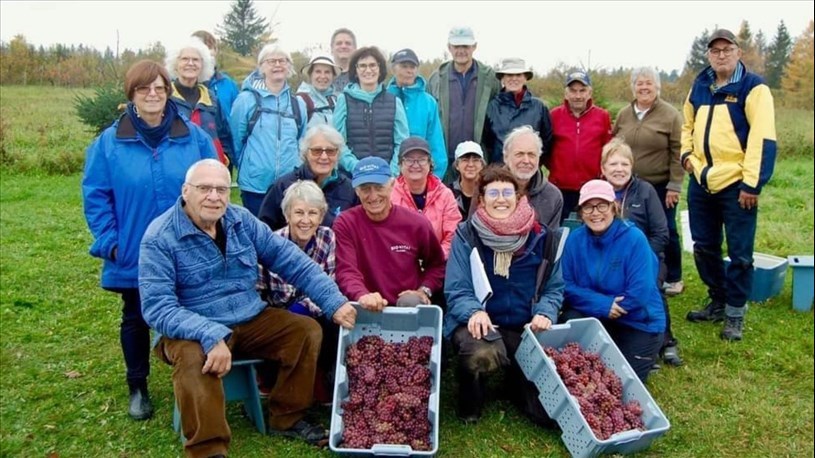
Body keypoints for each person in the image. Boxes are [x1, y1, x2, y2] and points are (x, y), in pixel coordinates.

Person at [139, 159, 357, 456]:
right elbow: (157, 307)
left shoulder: (242, 221)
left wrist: (334, 302)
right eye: (205, 189)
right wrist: (209, 333)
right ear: (186, 191)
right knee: (193, 357)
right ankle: (208, 448)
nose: (214, 197)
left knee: (305, 330)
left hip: (248, 316)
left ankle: (287, 416)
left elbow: (293, 262)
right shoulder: (159, 237)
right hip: (189, 326)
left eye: (221, 189)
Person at [81, 60, 218, 421]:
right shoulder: (109, 143)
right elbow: (96, 194)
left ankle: (200, 375)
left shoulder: (193, 137)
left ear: (167, 90)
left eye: (159, 87)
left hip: (189, 243)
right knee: (137, 315)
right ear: (131, 96)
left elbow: (216, 183)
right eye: (144, 89)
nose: (153, 95)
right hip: (134, 247)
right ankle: (137, 386)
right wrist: (111, 240)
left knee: (194, 307)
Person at [444, 164, 564, 424]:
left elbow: (554, 288)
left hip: (525, 327)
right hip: (482, 324)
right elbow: (457, 287)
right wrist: (473, 311)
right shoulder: (467, 235)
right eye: (493, 193)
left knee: (545, 416)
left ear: (519, 197)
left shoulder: (543, 238)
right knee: (480, 353)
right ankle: (470, 405)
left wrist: (545, 312)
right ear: (482, 200)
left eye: (507, 193)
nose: (501, 199)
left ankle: (514, 381)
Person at [682, 29, 777, 341]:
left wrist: (752, 184)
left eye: (727, 49)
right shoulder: (699, 85)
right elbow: (687, 125)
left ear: (738, 52)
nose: (721, 55)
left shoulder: (754, 88)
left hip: (738, 183)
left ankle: (736, 312)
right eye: (715, 50)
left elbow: (763, 137)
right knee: (704, 246)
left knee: (740, 253)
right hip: (701, 181)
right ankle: (718, 300)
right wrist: (686, 156)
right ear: (708, 54)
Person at [560, 180, 666, 382]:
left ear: (614, 207)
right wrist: (602, 304)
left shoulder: (635, 238)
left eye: (602, 205)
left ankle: (647, 352)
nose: (595, 212)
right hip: (597, 314)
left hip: (638, 321)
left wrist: (613, 307)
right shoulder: (575, 239)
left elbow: (640, 292)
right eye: (588, 207)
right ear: (581, 211)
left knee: (617, 383)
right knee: (582, 375)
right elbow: (565, 284)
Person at [600, 138, 682, 367]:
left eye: (624, 164)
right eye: (613, 164)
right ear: (603, 168)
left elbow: (661, 233)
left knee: (651, 287)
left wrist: (640, 259)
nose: (619, 169)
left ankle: (665, 342)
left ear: (632, 166)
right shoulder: (597, 192)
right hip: (607, 262)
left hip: (648, 258)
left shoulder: (645, 191)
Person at [334, 156, 446, 310]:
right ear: (356, 191)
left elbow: (437, 264)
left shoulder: (416, 223)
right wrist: (362, 295)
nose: (373, 196)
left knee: (410, 302)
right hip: (365, 306)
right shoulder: (346, 223)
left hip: (406, 307)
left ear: (392, 185)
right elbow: (346, 270)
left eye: (379, 187)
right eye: (366, 188)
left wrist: (424, 290)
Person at [263, 180, 341, 400]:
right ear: (287, 214)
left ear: (321, 215)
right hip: (278, 312)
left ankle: (324, 379)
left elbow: (329, 282)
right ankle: (272, 381)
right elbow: (260, 291)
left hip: (314, 307)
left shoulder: (327, 237)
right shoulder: (272, 242)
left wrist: (303, 307)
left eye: (313, 213)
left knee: (334, 322)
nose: (305, 220)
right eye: (299, 212)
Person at [613, 67, 685, 297]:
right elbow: (615, 145)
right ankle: (633, 270)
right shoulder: (624, 114)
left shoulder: (670, 115)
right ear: (633, 87)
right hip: (629, 184)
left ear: (657, 87)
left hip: (660, 185)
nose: (644, 87)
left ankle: (673, 276)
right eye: (639, 83)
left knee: (666, 229)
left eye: (649, 84)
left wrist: (675, 185)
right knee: (630, 226)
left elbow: (677, 151)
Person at [230, 45, 307, 216]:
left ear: (289, 66)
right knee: (258, 234)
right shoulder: (246, 100)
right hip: (255, 185)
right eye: (271, 61)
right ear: (261, 67)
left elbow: (301, 139)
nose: (277, 65)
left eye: (282, 60)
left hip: (289, 185)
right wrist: (251, 165)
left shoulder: (298, 104)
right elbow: (236, 139)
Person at [427, 26, 500, 184]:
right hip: (445, 161)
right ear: (449, 47)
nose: (461, 50)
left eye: (465, 46)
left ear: (474, 47)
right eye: (456, 46)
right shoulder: (436, 78)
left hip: (477, 162)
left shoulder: (489, 78)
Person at [258, 124, 356, 230]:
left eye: (330, 151)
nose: (324, 157)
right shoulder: (283, 186)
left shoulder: (349, 189)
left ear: (338, 154)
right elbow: (264, 231)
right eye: (316, 151)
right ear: (305, 153)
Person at [544, 70, 612, 222]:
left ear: (589, 92)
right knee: (559, 230)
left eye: (582, 90)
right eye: (573, 91)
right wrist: (557, 168)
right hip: (559, 188)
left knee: (591, 227)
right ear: (566, 93)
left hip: (591, 187)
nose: (578, 95)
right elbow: (547, 150)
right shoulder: (554, 116)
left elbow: (608, 150)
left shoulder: (602, 116)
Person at [333, 46, 409, 176]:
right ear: (355, 71)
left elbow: (402, 142)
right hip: (352, 176)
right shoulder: (343, 100)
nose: (368, 70)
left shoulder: (394, 102)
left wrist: (391, 173)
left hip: (387, 178)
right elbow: (337, 142)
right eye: (362, 66)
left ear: (380, 69)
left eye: (373, 65)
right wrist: (357, 168)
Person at [390, 136, 462, 258]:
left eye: (422, 159)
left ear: (430, 164)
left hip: (437, 264)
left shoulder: (445, 195)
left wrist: (435, 258)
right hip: (398, 264)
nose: (415, 165)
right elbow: (385, 235)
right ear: (400, 164)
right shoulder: (389, 195)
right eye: (409, 159)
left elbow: (453, 236)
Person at [166, 37, 231, 165]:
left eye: (196, 59)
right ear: (175, 64)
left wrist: (224, 157)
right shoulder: (165, 98)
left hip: (209, 169)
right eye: (185, 59)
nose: (190, 63)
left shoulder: (211, 98)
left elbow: (223, 134)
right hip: (175, 167)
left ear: (203, 65)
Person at [386, 48, 448, 179]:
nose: (409, 71)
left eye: (412, 66)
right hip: (388, 177)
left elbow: (436, 144)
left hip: (419, 176)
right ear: (393, 69)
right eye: (404, 66)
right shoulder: (383, 98)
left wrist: (435, 178)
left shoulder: (428, 102)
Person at [483, 57, 552, 163]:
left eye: (518, 75)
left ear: (525, 78)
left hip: (528, 169)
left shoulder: (539, 107)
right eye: (509, 75)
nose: (514, 78)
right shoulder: (492, 107)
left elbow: (547, 141)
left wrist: (534, 163)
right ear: (503, 79)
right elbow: (486, 142)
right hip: (500, 171)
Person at [191, 30, 240, 160]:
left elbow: (235, 126)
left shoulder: (228, 85)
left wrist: (229, 156)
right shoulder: (173, 89)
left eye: (210, 55)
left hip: (219, 157)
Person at [503, 125, 563, 230]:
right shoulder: (487, 188)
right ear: (506, 157)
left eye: (531, 155)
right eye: (519, 154)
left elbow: (551, 241)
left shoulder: (552, 196)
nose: (526, 161)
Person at [296, 54, 341, 127]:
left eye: (327, 72)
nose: (323, 76)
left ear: (333, 76)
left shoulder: (338, 100)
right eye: (318, 72)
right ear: (310, 75)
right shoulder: (300, 100)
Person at [449, 140, 486, 219]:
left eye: (475, 160)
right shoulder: (447, 193)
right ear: (457, 165)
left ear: (482, 165)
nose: (471, 164)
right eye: (465, 160)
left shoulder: (488, 191)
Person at [330, 28, 357, 93]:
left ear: (355, 48)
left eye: (348, 43)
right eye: (339, 43)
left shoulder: (362, 75)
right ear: (332, 48)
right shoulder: (322, 75)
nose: (343, 46)